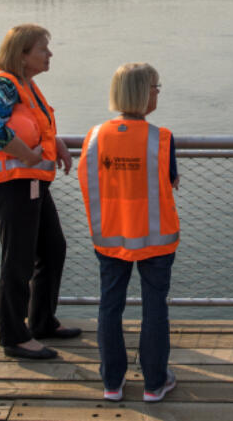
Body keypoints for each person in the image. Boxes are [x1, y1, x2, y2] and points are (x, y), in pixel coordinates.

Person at [78, 63, 180, 403]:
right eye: (155, 87)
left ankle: (112, 383)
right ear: (141, 93)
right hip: (155, 240)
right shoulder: (161, 138)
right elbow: (170, 181)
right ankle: (154, 384)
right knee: (154, 308)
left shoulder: (94, 137)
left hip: (110, 236)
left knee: (110, 306)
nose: (157, 93)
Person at [0, 24, 79, 360]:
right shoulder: (5, 85)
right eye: (42, 49)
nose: (49, 55)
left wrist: (58, 144)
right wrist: (27, 154)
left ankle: (41, 322)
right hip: (12, 186)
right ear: (22, 55)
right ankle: (14, 336)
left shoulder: (27, 86)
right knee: (18, 260)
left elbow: (35, 126)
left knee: (53, 249)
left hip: (32, 184)